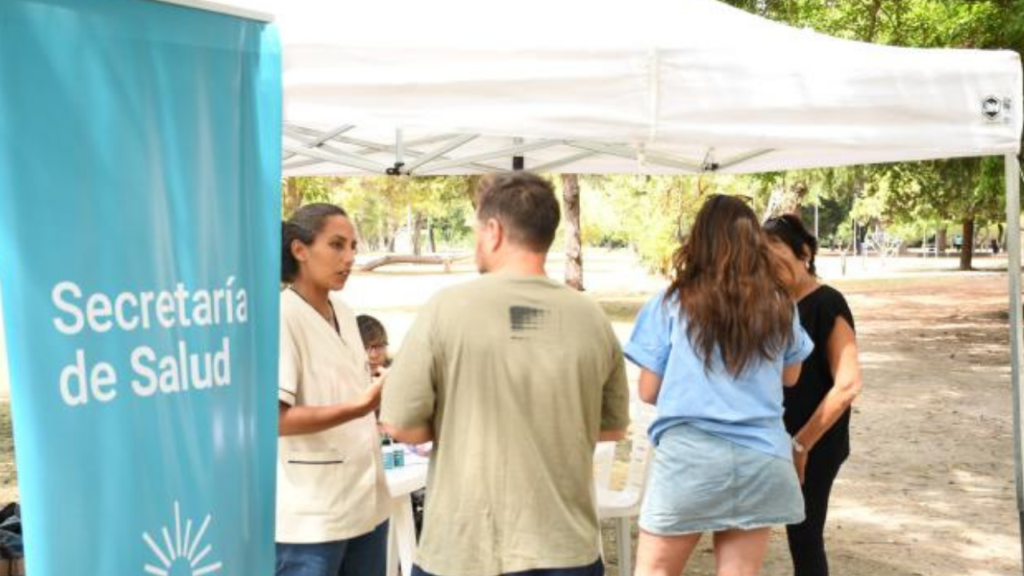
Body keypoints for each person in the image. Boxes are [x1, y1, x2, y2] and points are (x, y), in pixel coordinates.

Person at [380, 172, 631, 576]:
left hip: (464, 549)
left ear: (493, 231)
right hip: (566, 547)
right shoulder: (593, 318)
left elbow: (399, 423)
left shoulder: (445, 309)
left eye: (476, 230)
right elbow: (612, 430)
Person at [626, 194, 814, 576]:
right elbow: (791, 376)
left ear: (698, 241)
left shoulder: (671, 302)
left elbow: (648, 390)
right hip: (762, 458)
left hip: (690, 459)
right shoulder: (781, 305)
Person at [276, 203, 390, 576]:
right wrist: (360, 405)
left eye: (353, 247)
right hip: (311, 519)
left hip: (366, 503)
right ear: (300, 249)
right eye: (337, 245)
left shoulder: (343, 310)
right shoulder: (282, 315)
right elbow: (276, 419)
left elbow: (350, 389)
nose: (349, 258)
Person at [764, 214, 863, 576]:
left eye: (775, 247)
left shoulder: (827, 302)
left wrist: (801, 444)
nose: (768, 260)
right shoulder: (776, 306)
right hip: (780, 440)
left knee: (805, 537)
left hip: (814, 443)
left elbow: (849, 383)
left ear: (804, 252)